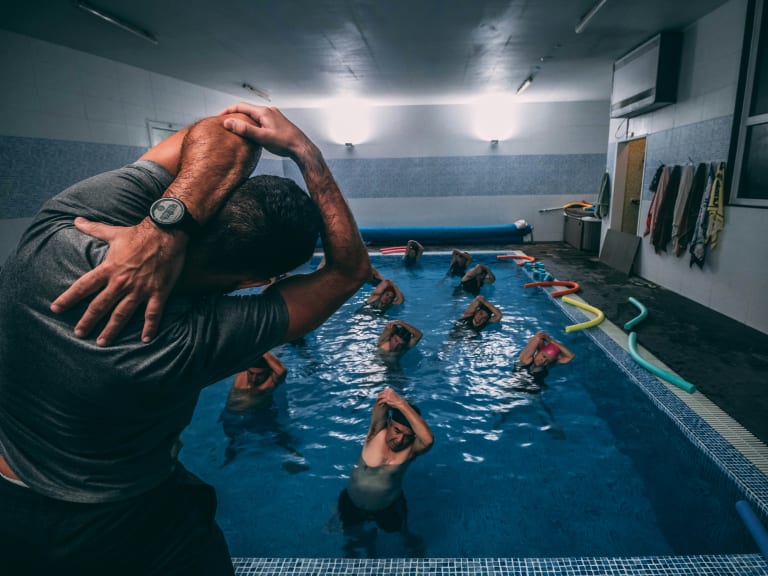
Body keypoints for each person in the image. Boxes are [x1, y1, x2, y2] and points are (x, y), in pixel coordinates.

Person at [0, 104, 370, 575]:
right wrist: (306, 154)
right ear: (251, 282)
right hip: (115, 519)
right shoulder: (181, 343)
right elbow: (349, 271)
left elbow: (226, 128)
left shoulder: (65, 229)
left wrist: (164, 226)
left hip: (8, 491)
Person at [337, 387, 433, 557]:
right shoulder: (375, 433)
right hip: (352, 501)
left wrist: (401, 404)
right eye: (397, 431)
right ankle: (366, 543)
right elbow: (383, 397)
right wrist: (394, 399)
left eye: (407, 436)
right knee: (352, 536)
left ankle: (409, 541)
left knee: (401, 532)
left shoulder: (411, 451)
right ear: (389, 423)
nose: (400, 440)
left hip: (388, 507)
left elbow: (428, 440)